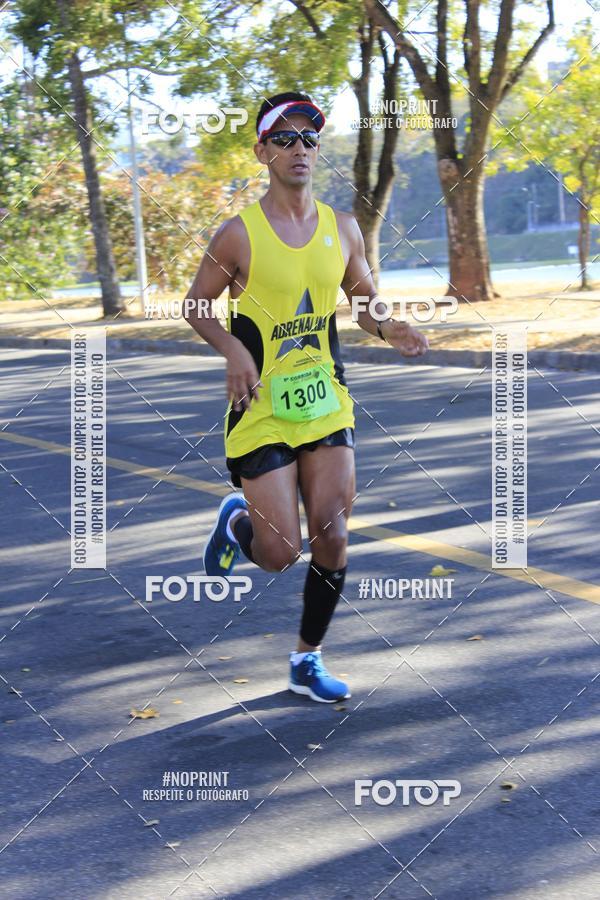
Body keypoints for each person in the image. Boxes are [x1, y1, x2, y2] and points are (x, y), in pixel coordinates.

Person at [184, 91, 428, 703]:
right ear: (263, 151)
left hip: (325, 401)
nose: (301, 148)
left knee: (334, 534)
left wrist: (387, 325)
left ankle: (306, 659)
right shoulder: (239, 234)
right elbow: (195, 305)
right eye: (286, 138)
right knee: (279, 554)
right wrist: (235, 351)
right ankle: (235, 520)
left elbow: (363, 296)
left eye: (310, 138)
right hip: (262, 409)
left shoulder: (343, 228)